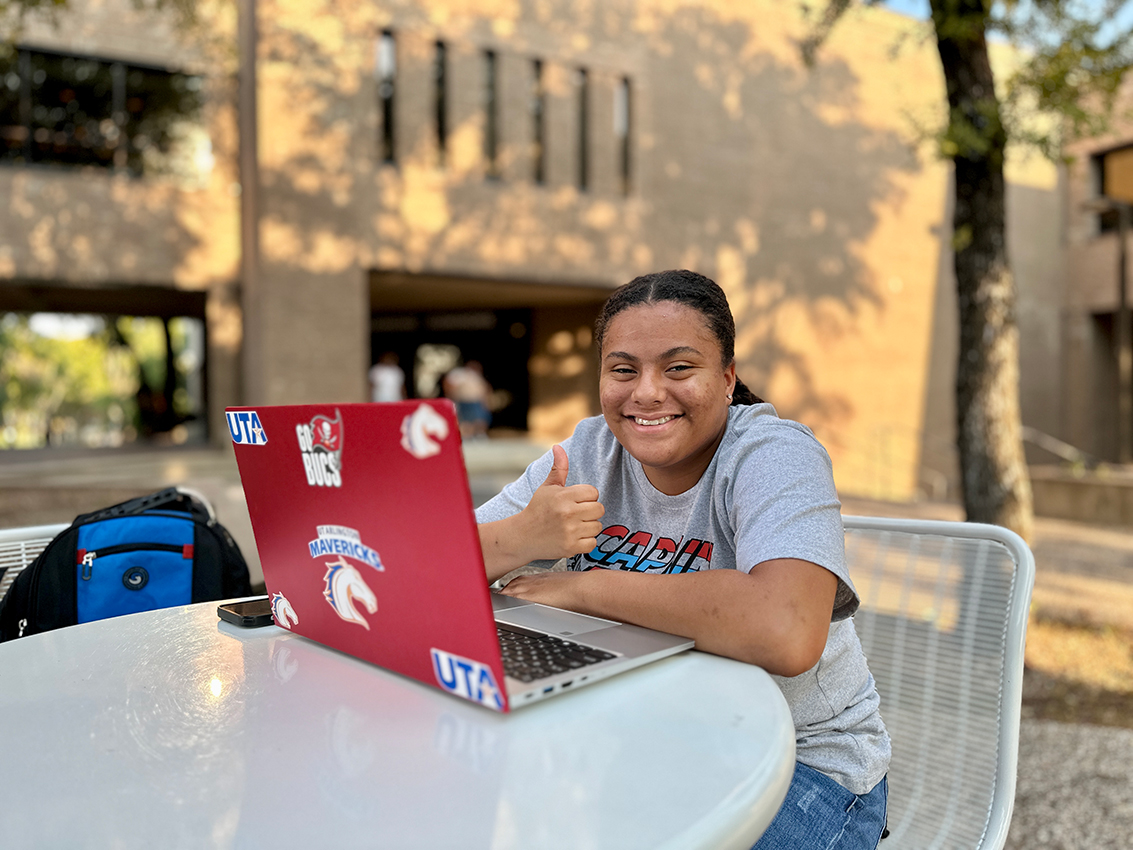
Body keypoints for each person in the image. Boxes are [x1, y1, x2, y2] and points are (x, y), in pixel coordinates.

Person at [474, 270, 890, 849]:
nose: (646, 392)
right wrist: (522, 536)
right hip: (639, 743)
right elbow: (422, 566)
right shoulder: (589, 449)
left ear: (726, 378)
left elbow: (786, 630)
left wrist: (580, 588)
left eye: (678, 368)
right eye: (623, 370)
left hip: (797, 764)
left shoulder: (774, 454)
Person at [443, 360, 493, 439]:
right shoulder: (459, 374)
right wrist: (452, 396)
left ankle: (479, 435)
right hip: (464, 401)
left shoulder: (477, 377)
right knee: (465, 420)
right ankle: (466, 436)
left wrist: (486, 401)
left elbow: (485, 389)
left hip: (476, 401)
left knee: (480, 419)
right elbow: (449, 384)